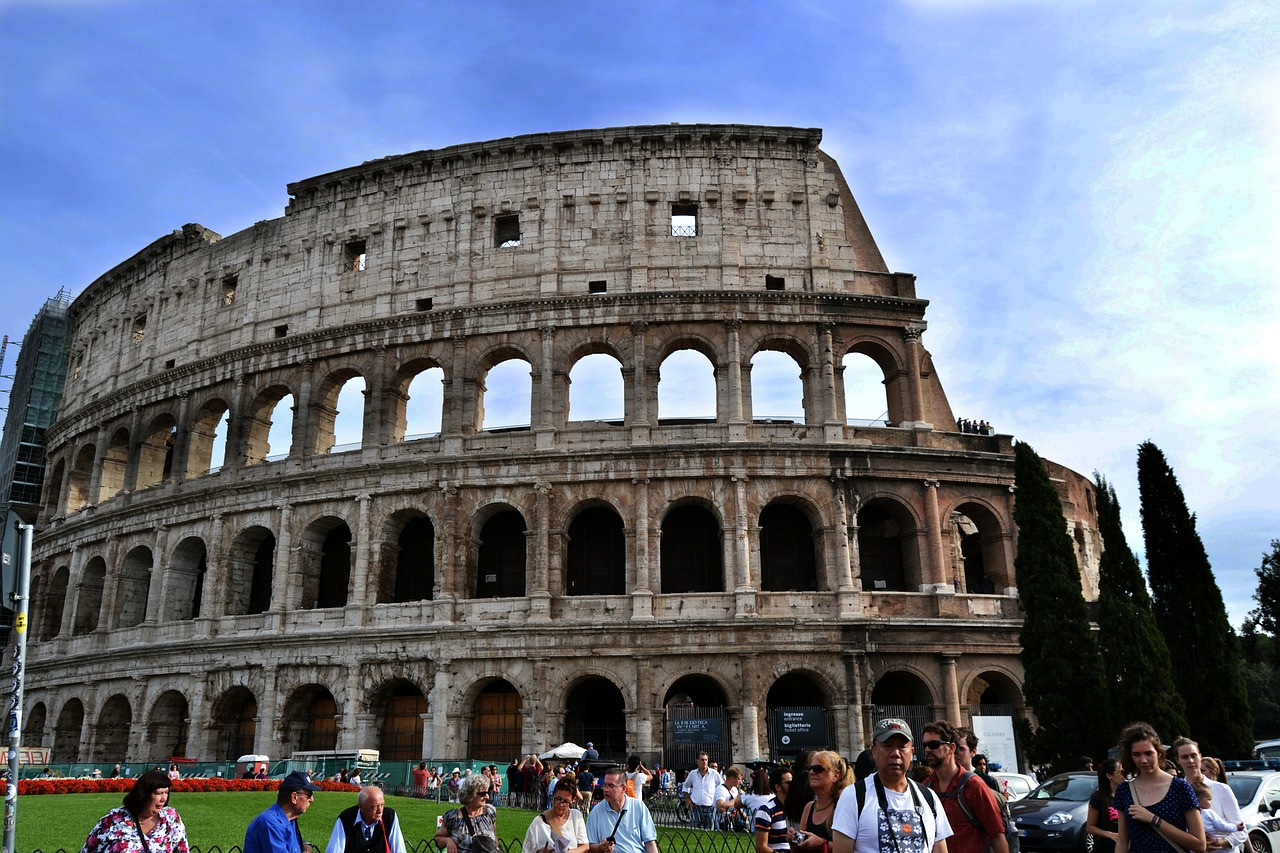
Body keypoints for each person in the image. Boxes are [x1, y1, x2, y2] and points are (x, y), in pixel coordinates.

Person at [832, 717, 953, 853]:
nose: (895, 753)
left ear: (912, 752)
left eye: (902, 747)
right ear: (874, 751)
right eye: (887, 745)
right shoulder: (853, 796)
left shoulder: (928, 797)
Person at [1114, 722, 1206, 853]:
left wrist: (1154, 819)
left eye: (1148, 753)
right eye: (1136, 754)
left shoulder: (1180, 787)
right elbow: (1122, 842)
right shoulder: (1124, 790)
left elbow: (1199, 844)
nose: (1143, 760)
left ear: (1159, 753)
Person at [921, 721, 1008, 853]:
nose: (928, 750)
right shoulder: (925, 788)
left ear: (952, 748)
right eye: (925, 745)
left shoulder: (974, 786)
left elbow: (997, 836)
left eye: (933, 745)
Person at [80, 768, 189, 853]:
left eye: (166, 793)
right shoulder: (114, 819)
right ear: (144, 794)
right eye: (159, 793)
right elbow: (88, 849)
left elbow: (183, 850)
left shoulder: (171, 819)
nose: (164, 799)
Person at [1171, 738, 1242, 849]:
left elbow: (1242, 832)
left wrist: (1220, 843)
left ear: (1200, 756)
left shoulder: (1221, 789)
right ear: (1178, 760)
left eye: (1193, 755)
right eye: (1184, 757)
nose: (1190, 761)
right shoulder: (1175, 793)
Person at [586, 766, 659, 853]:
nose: (606, 790)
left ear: (624, 788)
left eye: (611, 786)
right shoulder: (596, 812)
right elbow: (590, 846)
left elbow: (650, 842)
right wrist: (600, 848)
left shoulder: (639, 807)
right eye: (605, 785)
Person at [246, 771, 322, 853]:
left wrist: (306, 845)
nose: (312, 799)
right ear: (294, 797)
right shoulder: (271, 824)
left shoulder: (289, 818)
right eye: (309, 795)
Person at [795, 751, 855, 853]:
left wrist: (822, 843)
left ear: (835, 776)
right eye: (810, 768)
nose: (811, 772)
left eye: (818, 769)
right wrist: (794, 840)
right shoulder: (809, 807)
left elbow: (854, 849)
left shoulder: (843, 806)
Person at [324, 785, 407, 853]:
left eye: (382, 805)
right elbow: (334, 850)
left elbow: (399, 849)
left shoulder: (389, 817)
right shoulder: (346, 819)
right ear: (361, 806)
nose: (380, 810)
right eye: (375, 806)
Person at [524, 777, 589, 853]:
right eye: (558, 799)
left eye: (566, 802)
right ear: (553, 796)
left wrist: (568, 852)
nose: (561, 805)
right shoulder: (538, 823)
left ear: (572, 801)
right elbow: (526, 850)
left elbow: (585, 847)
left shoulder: (576, 816)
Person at [437, 774, 497, 853]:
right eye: (483, 794)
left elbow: (495, 837)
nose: (487, 796)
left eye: (487, 792)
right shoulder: (453, 817)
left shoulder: (489, 812)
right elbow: (438, 838)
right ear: (470, 795)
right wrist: (448, 841)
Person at [1190, 782, 1246, 851]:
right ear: (1198, 800)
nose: (1212, 802)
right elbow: (1222, 826)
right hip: (1215, 843)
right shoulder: (1208, 812)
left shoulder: (1190, 815)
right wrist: (1236, 827)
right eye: (1209, 799)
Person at [1087, 758, 1125, 853]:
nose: (1124, 776)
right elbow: (1090, 827)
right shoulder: (1099, 797)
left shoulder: (1128, 794)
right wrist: (1111, 835)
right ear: (1109, 775)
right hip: (1106, 846)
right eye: (1120, 772)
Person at [753, 767, 792, 853]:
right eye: (789, 782)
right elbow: (761, 847)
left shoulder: (796, 808)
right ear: (778, 787)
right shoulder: (766, 810)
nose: (793, 785)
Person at [682, 753, 723, 830]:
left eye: (706, 760)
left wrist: (719, 800)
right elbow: (685, 785)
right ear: (697, 762)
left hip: (710, 807)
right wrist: (687, 799)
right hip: (695, 806)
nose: (704, 762)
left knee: (709, 832)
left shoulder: (714, 773)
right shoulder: (692, 774)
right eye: (702, 760)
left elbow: (722, 786)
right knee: (694, 830)